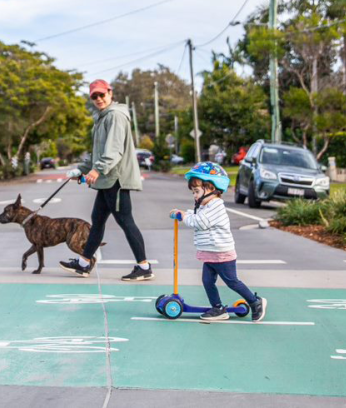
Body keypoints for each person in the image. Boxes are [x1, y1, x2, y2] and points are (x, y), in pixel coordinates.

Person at [59, 79, 152, 281]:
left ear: (110, 93)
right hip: (107, 180)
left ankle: (144, 266)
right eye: (95, 96)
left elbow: (114, 150)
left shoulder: (116, 116)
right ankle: (84, 264)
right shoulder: (101, 118)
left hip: (115, 179)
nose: (99, 99)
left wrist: (97, 170)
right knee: (98, 220)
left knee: (126, 222)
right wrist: (80, 170)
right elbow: (96, 154)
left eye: (102, 94)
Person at [171, 162, 266, 322]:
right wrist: (183, 213)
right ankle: (218, 308)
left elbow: (201, 222)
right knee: (207, 281)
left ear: (210, 189)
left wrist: (184, 216)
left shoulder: (216, 206)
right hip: (210, 252)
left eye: (196, 191)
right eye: (193, 192)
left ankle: (255, 302)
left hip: (221, 253)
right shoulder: (205, 206)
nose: (194, 195)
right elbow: (197, 217)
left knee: (232, 282)